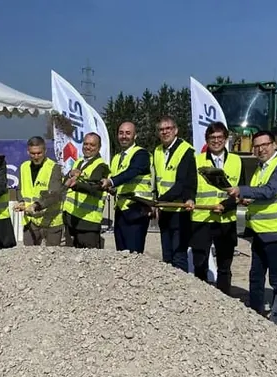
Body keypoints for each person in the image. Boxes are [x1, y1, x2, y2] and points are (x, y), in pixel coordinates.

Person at [227, 131, 277, 316]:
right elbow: (261, 194)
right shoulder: (260, 167)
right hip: (260, 232)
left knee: (276, 277)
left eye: (265, 144)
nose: (260, 149)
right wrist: (248, 199)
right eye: (257, 146)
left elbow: (270, 191)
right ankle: (255, 313)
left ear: (274, 145)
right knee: (256, 276)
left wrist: (241, 190)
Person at [187, 122, 243, 294]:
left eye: (220, 137)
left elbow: (242, 190)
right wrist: (189, 198)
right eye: (212, 138)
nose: (216, 141)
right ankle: (202, 300)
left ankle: (224, 298)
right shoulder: (197, 161)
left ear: (226, 139)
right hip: (201, 219)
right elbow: (189, 186)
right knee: (200, 264)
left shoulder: (236, 161)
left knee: (224, 266)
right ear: (207, 140)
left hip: (226, 220)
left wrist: (225, 206)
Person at [100, 121, 152, 253]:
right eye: (121, 133)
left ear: (135, 136)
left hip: (137, 210)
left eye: (128, 133)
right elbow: (119, 182)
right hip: (121, 211)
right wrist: (111, 188)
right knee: (121, 255)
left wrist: (111, 182)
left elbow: (132, 172)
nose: (124, 136)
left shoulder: (141, 154)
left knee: (134, 255)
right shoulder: (116, 158)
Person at [152, 115, 195, 271]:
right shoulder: (157, 151)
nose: (165, 132)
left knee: (179, 256)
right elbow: (156, 179)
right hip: (164, 210)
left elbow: (182, 184)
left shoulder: (186, 151)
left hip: (179, 210)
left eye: (168, 128)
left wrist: (159, 201)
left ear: (176, 130)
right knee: (167, 256)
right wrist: (156, 201)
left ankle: (182, 292)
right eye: (161, 129)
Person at [63, 132, 110, 248]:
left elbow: (95, 188)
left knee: (89, 262)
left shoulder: (101, 166)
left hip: (88, 223)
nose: (88, 147)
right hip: (71, 219)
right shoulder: (79, 161)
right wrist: (69, 174)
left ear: (99, 147)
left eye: (92, 145)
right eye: (85, 144)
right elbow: (66, 181)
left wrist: (76, 185)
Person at [15, 136, 64, 246]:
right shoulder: (24, 167)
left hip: (51, 222)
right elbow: (20, 189)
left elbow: (54, 195)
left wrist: (36, 205)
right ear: (28, 152)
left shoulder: (54, 167)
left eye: (39, 153)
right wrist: (21, 201)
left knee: (53, 257)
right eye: (33, 153)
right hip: (31, 222)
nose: (36, 156)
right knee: (29, 257)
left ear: (45, 151)